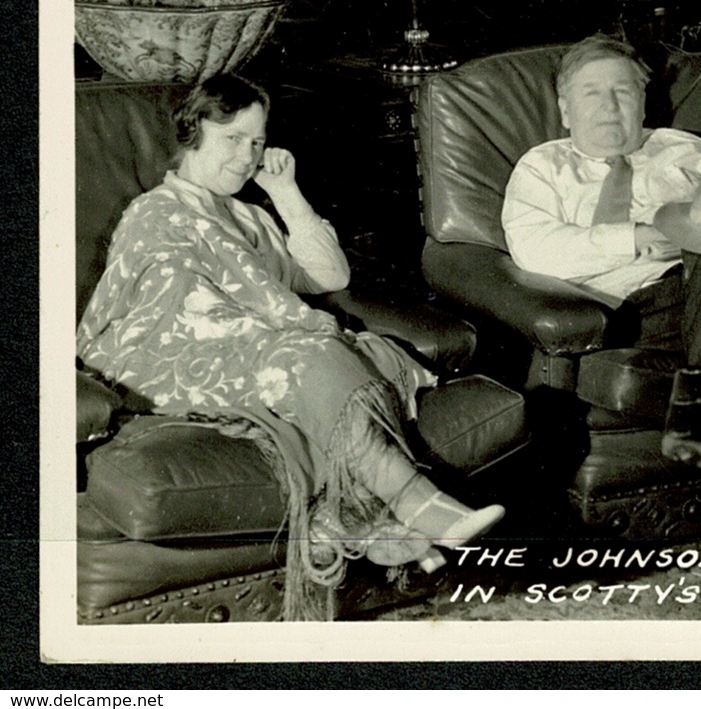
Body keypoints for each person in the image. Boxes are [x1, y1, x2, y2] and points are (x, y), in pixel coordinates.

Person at [78, 74, 504, 619]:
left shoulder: (251, 218)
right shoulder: (156, 209)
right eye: (233, 138)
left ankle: (362, 521)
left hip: (252, 348)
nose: (246, 155)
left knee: (335, 357)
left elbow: (329, 274)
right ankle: (415, 502)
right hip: (168, 354)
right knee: (313, 356)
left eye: (257, 142)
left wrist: (284, 194)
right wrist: (269, 327)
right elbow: (171, 295)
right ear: (192, 131)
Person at [502, 34, 701, 366]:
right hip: (630, 310)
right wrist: (637, 238)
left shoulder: (687, 148)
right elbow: (533, 249)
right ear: (566, 111)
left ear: (643, 104)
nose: (609, 106)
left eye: (622, 92)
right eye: (591, 93)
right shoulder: (542, 166)